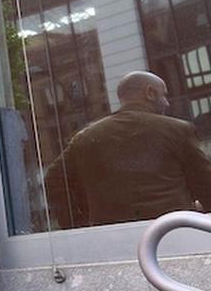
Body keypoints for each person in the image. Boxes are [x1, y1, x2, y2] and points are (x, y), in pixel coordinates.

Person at [47, 70, 211, 227]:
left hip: (112, 238)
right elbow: (205, 182)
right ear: (150, 93)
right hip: (170, 231)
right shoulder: (177, 130)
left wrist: (78, 224)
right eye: (164, 95)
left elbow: (53, 180)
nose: (167, 103)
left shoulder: (85, 138)